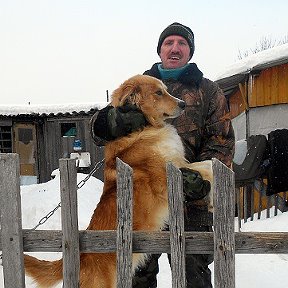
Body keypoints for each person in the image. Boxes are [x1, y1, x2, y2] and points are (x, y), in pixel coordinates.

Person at [90, 22, 235, 288]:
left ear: (190, 51)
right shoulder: (139, 84)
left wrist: (195, 181)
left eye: (182, 43)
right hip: (143, 198)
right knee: (138, 276)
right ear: (160, 50)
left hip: (192, 205)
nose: (175, 48)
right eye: (169, 43)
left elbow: (222, 141)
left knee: (195, 274)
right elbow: (99, 130)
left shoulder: (209, 91)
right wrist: (108, 122)